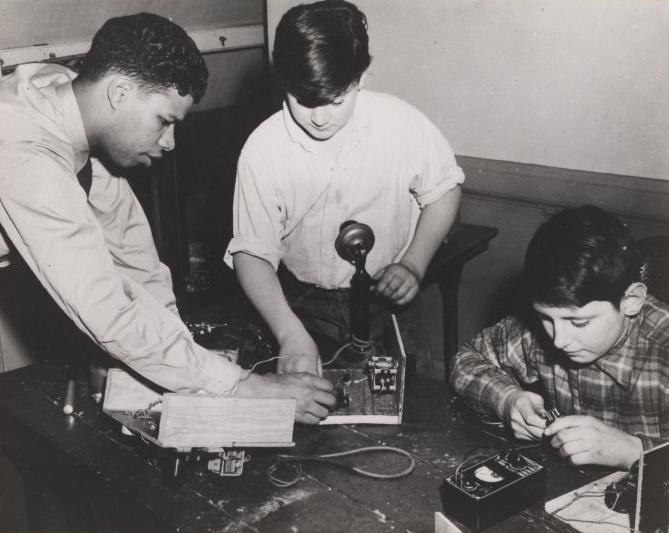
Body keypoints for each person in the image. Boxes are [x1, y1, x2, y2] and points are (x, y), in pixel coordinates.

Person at [0, 12, 335, 424]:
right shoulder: (24, 147)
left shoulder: (70, 101)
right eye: (164, 121)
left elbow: (131, 253)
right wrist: (243, 387)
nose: (170, 142)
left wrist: (176, 354)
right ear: (119, 92)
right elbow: (104, 305)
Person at [225, 0, 464, 376]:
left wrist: (414, 265)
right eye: (304, 101)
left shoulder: (400, 123)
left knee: (409, 406)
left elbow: (444, 191)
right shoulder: (263, 150)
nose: (319, 118)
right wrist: (289, 334)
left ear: (361, 78)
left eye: (336, 100)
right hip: (302, 306)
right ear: (283, 81)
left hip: (390, 297)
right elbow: (251, 253)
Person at [450, 205, 669, 469]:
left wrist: (633, 451)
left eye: (579, 322)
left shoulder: (663, 348)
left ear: (631, 301)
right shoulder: (542, 331)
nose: (558, 341)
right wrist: (507, 399)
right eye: (545, 318)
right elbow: (466, 360)